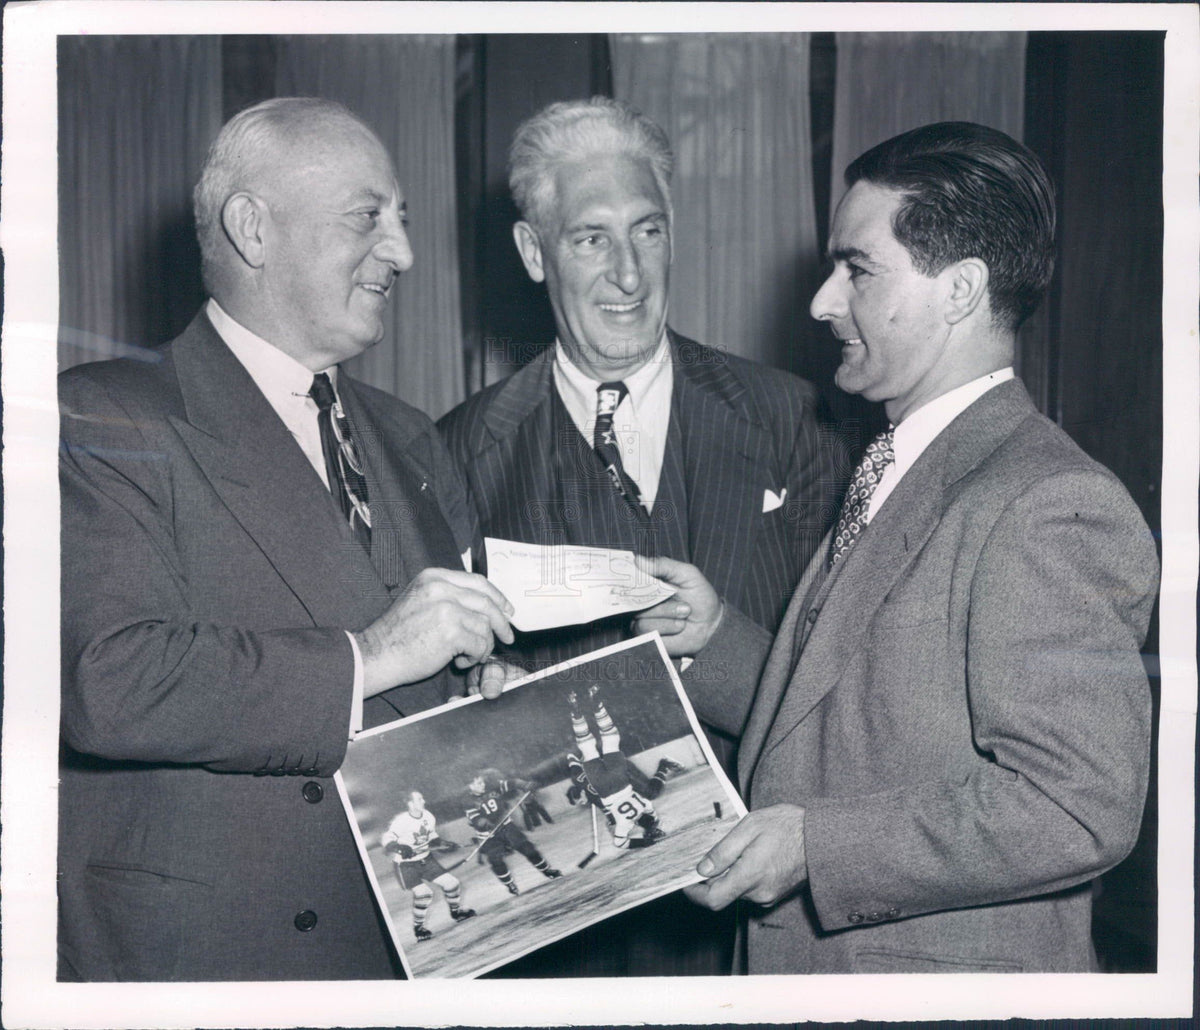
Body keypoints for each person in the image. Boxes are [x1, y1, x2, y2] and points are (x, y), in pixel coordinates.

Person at [632, 122, 1159, 974]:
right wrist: (714, 638)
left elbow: (1077, 805)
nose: (821, 302)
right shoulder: (905, 461)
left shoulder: (1047, 501)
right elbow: (866, 706)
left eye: (858, 269)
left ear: (960, 290)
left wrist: (817, 849)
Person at [57, 97, 517, 981]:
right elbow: (109, 681)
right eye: (368, 218)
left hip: (403, 950)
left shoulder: (412, 437)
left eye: (404, 221)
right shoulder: (104, 416)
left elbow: (434, 674)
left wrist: (482, 695)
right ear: (252, 229)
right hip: (208, 957)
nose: (404, 253)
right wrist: (373, 656)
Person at [438, 94, 848, 976]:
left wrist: (724, 642)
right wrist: (478, 695)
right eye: (591, 239)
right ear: (531, 252)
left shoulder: (792, 420)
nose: (629, 273)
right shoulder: (459, 452)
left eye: (648, 232)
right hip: (562, 944)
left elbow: (846, 694)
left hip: (751, 931)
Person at [564, 684, 666, 849]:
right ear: (637, 823)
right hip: (603, 787)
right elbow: (620, 843)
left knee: (610, 738)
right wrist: (643, 843)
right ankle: (576, 713)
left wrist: (653, 827)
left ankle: (598, 706)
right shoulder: (625, 823)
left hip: (621, 780)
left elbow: (650, 810)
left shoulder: (644, 805)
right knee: (587, 747)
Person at [382, 791, 475, 942]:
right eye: (419, 799)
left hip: (426, 859)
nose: (423, 801)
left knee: (452, 884)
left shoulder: (428, 816)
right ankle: (419, 928)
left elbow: (433, 839)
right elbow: (387, 839)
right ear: (410, 804)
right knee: (424, 894)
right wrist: (399, 847)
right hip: (405, 865)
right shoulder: (401, 821)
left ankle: (457, 913)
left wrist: (445, 844)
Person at [463, 769, 562, 894]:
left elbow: (512, 783)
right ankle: (510, 884)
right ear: (470, 786)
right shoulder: (468, 802)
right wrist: (485, 823)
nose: (482, 785)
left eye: (481, 782)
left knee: (527, 848)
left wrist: (525, 785)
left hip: (506, 826)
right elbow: (476, 819)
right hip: (488, 835)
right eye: (478, 783)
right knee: (496, 860)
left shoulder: (493, 788)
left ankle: (547, 870)